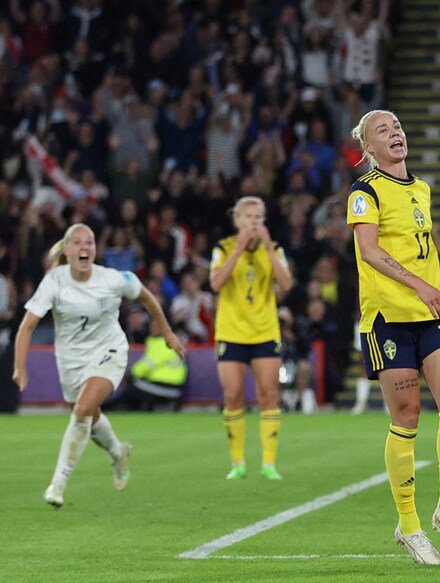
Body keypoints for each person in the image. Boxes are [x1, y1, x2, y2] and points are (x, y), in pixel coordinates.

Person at [347, 107, 440, 566]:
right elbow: (369, 249)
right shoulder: (365, 191)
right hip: (388, 319)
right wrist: (419, 288)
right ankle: (410, 525)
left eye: (398, 125)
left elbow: (427, 256)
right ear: (370, 148)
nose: (396, 132)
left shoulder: (421, 188)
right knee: (408, 414)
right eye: (384, 130)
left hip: (431, 314)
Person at [12, 223, 186, 508]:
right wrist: (20, 366)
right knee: (88, 417)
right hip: (70, 360)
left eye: (90, 242)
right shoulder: (54, 281)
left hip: (110, 352)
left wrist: (167, 333)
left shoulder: (114, 279)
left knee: (81, 410)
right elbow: (27, 325)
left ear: (95, 249)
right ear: (67, 250)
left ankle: (58, 484)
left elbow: (145, 296)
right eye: (77, 242)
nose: (84, 247)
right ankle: (118, 452)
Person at [210, 196, 294, 481]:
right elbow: (215, 284)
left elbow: (287, 284)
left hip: (264, 331)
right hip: (231, 331)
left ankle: (269, 463)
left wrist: (269, 249)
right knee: (233, 395)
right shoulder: (223, 248)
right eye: (248, 217)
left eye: (258, 217)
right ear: (237, 221)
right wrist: (239, 250)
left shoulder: (276, 249)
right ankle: (237, 462)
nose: (253, 222)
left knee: (269, 395)